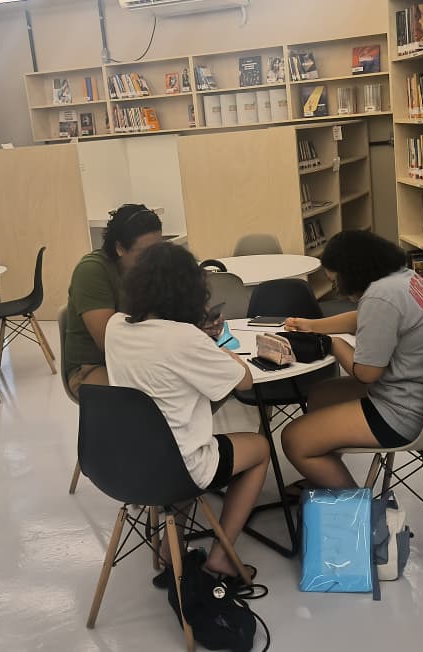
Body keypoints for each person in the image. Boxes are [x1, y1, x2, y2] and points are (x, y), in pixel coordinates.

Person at [105, 242, 269, 579]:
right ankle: (221, 556)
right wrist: (212, 342)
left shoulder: (115, 326)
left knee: (181, 440)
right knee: (260, 448)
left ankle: (171, 550)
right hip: (178, 465)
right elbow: (244, 380)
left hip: (126, 459)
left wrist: (195, 334)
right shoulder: (184, 338)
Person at [281, 231, 423, 489]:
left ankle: (357, 508)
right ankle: (324, 474)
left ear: (352, 273)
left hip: (403, 412)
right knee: (319, 396)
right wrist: (313, 326)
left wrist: (333, 344)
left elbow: (366, 374)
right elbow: (362, 318)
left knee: (293, 439)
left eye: (336, 282)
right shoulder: (403, 278)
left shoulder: (379, 296)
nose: (338, 290)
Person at [64, 204, 162, 395]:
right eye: (144, 253)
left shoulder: (149, 269)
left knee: (202, 381)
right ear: (120, 248)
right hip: (93, 367)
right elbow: (108, 341)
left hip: (141, 357)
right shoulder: (92, 271)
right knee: (158, 395)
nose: (154, 259)